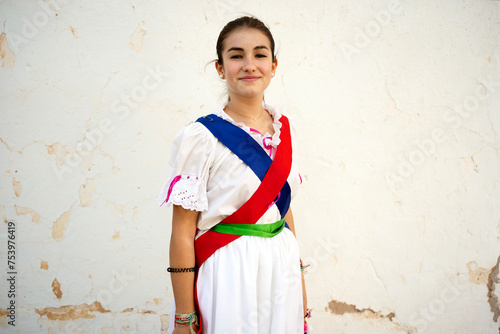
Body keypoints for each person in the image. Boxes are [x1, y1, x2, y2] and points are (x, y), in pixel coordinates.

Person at [157, 16, 308, 334]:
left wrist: (301, 287)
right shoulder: (201, 137)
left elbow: (282, 206)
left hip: (281, 269)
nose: (250, 65)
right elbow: (183, 233)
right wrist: (184, 320)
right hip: (229, 271)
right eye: (237, 55)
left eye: (260, 54)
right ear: (220, 68)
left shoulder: (284, 129)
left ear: (274, 66)